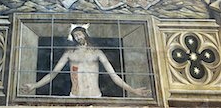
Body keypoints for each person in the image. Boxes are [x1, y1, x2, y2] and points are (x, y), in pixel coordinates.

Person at [22, 24, 150, 98]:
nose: (78, 37)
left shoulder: (96, 53)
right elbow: (53, 74)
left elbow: (114, 76)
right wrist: (34, 85)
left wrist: (133, 91)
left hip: (94, 96)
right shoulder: (70, 54)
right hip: (74, 96)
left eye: (80, 34)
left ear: (85, 34)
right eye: (75, 35)